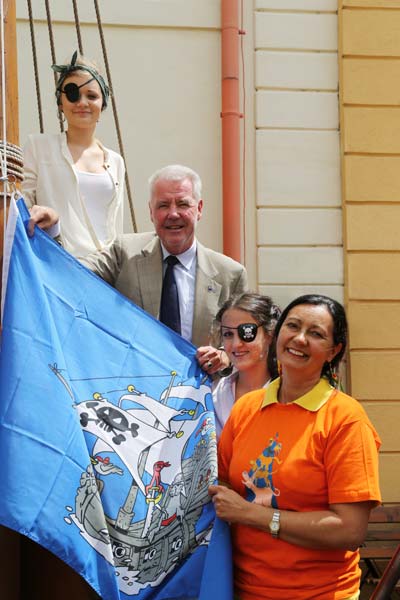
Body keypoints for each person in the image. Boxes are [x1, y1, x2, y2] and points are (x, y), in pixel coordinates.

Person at [209, 294, 381, 600]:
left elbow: (349, 530)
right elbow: (222, 483)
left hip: (318, 594)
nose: (300, 339)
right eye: (293, 326)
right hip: (240, 589)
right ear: (277, 335)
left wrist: (252, 515)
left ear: (333, 351)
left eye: (316, 334)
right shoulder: (246, 408)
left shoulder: (346, 420)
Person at [81, 164, 248, 372]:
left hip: (200, 388)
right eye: (163, 205)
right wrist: (51, 232)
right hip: (134, 385)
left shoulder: (230, 275)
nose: (173, 214)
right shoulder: (123, 253)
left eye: (183, 204)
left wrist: (224, 356)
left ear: (199, 209)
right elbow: (74, 271)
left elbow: (245, 342)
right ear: (151, 212)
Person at [22, 50, 125, 257]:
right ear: (61, 103)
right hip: (56, 263)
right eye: (72, 94)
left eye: (92, 96)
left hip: (106, 268)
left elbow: (116, 228)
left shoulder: (115, 161)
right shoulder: (38, 147)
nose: (82, 103)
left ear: (103, 103)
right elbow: (22, 211)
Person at [211, 292, 280, 438]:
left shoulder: (287, 395)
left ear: (270, 335)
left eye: (247, 332)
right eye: (228, 334)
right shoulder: (213, 393)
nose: (236, 344)